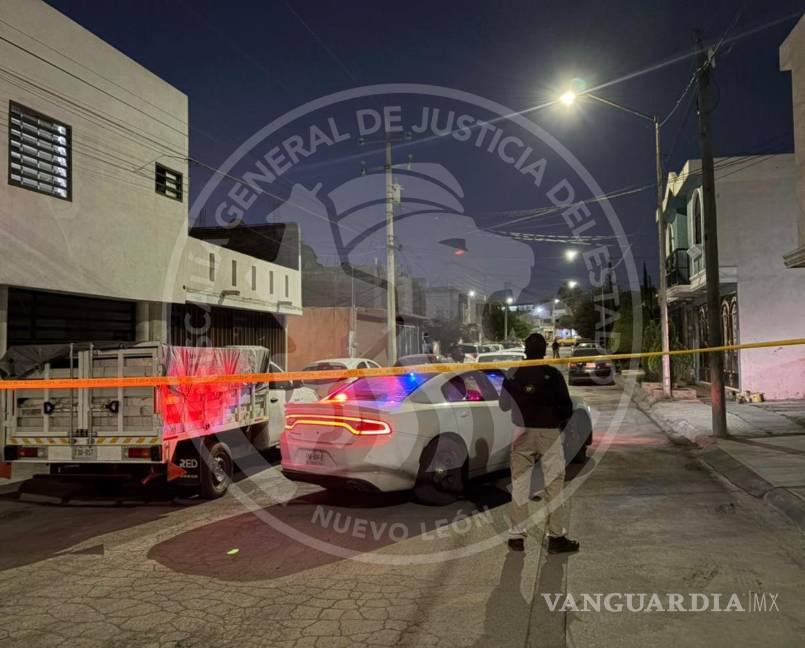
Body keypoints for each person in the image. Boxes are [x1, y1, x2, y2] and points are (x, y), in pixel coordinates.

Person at [499, 333, 579, 553]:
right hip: (548, 432)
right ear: (545, 350)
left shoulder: (513, 374)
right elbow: (566, 407)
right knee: (554, 484)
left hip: (521, 432)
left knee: (520, 484)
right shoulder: (552, 374)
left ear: (525, 349)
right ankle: (556, 537)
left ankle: (516, 536)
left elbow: (504, 405)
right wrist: (557, 420)